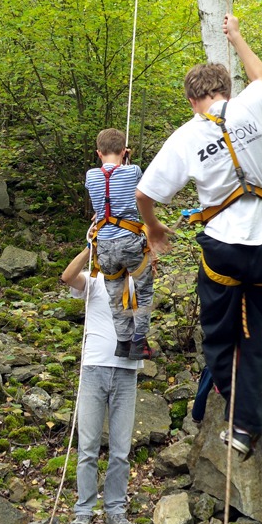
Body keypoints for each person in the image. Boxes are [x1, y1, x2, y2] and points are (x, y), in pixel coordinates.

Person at [136, 13, 262, 460]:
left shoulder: (187, 137)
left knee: (221, 337)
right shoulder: (251, 106)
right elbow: (261, 75)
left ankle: (241, 419)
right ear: (226, 90)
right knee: (254, 331)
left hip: (227, 248)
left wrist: (153, 227)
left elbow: (144, 193)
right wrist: (238, 37)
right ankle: (244, 423)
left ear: (192, 100)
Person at [61, 246, 143, 524]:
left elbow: (149, 264)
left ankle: (115, 511)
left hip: (126, 372)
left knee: (121, 450)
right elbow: (68, 276)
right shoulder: (94, 281)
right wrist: (90, 246)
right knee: (88, 448)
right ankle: (83, 510)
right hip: (94, 369)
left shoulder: (137, 283)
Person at [85, 128, 154, 361]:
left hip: (104, 245)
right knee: (143, 292)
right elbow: (140, 191)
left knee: (114, 295)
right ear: (124, 152)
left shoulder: (91, 176)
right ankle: (139, 342)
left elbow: (105, 196)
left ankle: (122, 343)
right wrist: (127, 161)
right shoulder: (133, 170)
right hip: (130, 242)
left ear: (98, 153)